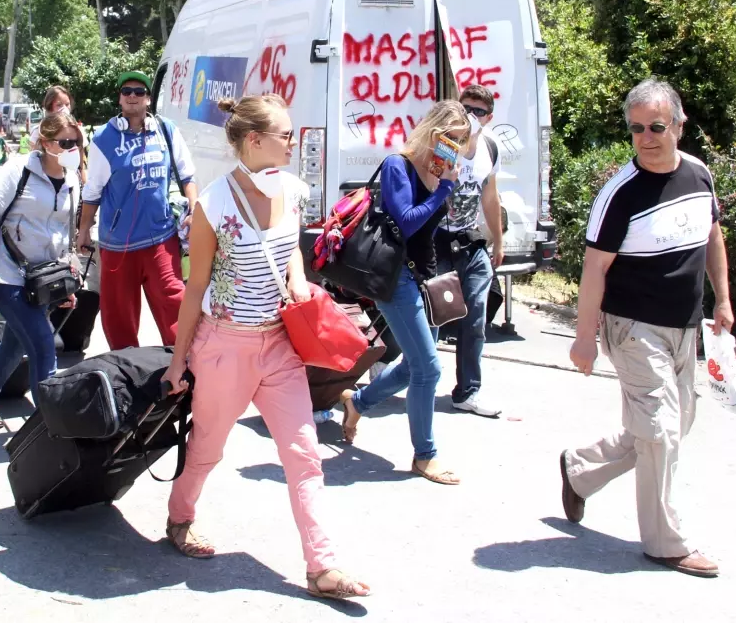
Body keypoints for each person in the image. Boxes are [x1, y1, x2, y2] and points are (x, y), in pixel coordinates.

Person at [160, 94, 370, 599]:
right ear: (254, 141)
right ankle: (180, 517)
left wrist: (299, 281)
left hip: (279, 346)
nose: (293, 143)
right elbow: (196, 288)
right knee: (207, 450)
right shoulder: (212, 204)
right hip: (223, 346)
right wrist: (177, 362)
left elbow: (292, 253)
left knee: (305, 456)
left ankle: (322, 567)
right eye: (285, 136)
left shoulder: (291, 192)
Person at [561, 79, 733, 578]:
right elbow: (594, 269)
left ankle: (579, 468)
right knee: (659, 433)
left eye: (657, 126)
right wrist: (584, 337)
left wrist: (722, 298)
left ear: (679, 125)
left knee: (671, 427)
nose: (646, 137)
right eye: (636, 129)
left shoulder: (699, 174)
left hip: (685, 327)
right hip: (634, 328)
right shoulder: (620, 194)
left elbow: (712, 234)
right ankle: (666, 543)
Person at [340, 100, 468, 485]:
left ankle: (357, 403)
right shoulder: (399, 164)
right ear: (433, 133)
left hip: (424, 277)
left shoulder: (434, 172)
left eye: (461, 141)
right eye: (451, 138)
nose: (455, 147)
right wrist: (441, 188)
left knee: (415, 367)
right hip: (394, 278)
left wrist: (444, 184)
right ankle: (424, 456)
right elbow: (407, 222)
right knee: (429, 368)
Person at [0, 112, 84, 428]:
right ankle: (48, 427)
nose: (73, 149)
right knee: (43, 347)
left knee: (14, 344)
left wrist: (70, 279)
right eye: (66, 143)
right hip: (10, 275)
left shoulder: (72, 179)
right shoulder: (19, 171)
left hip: (45, 280)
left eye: (77, 143)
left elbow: (67, 234)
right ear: (45, 143)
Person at [78, 71, 197, 350]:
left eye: (139, 91)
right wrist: (84, 230)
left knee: (175, 305)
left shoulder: (166, 130)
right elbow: (93, 191)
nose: (132, 96)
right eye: (127, 91)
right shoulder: (104, 139)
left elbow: (187, 176)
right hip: (118, 246)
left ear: (148, 98)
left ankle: (182, 368)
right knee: (119, 317)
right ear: (119, 98)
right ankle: (126, 372)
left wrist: (194, 208)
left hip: (161, 239)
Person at [433, 84, 505, 416]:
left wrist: (498, 240)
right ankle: (400, 367)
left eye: (477, 112)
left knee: (475, 316)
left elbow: (490, 196)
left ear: (488, 118)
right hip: (437, 241)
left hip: (470, 242)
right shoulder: (447, 145)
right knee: (429, 317)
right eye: (465, 109)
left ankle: (468, 391)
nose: (470, 116)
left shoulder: (489, 148)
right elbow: (429, 187)